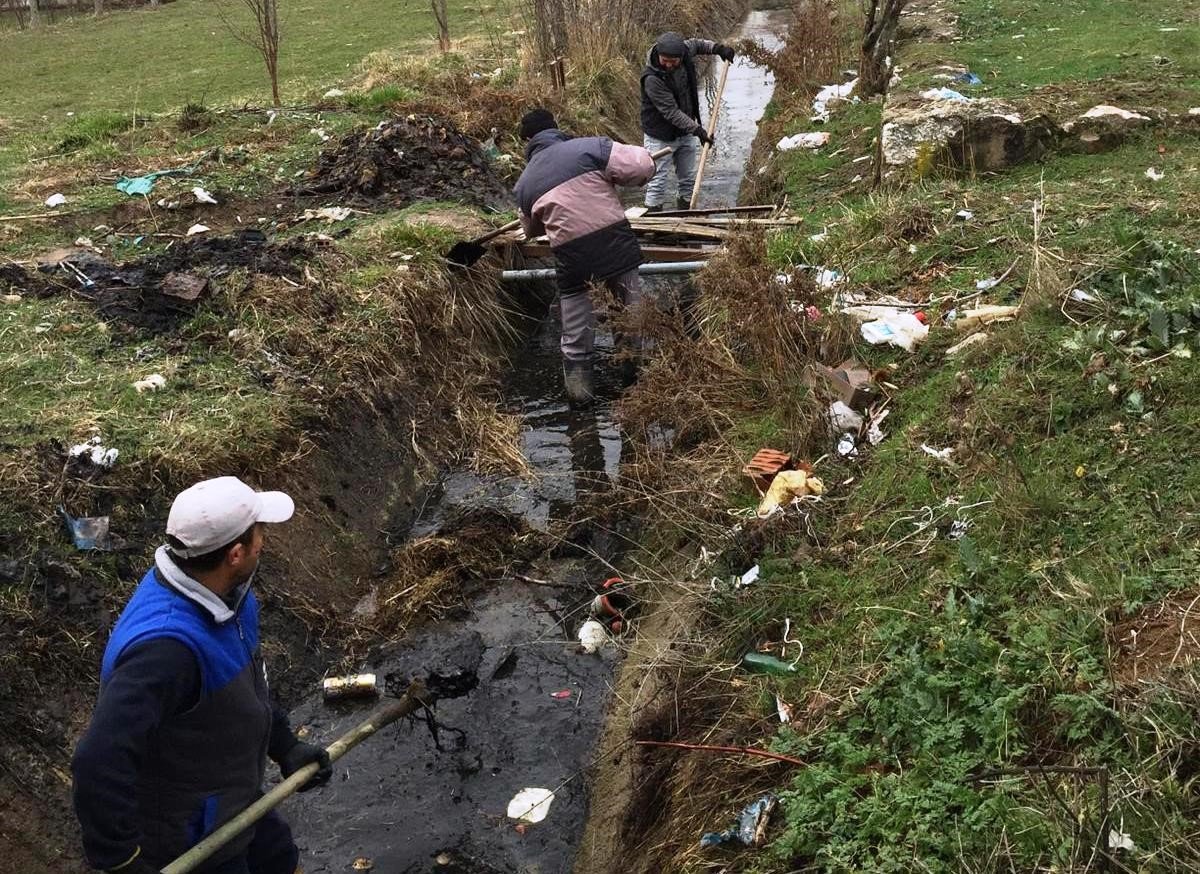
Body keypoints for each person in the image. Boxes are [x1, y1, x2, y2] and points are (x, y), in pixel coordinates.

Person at [71, 477, 332, 874]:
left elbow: (245, 688)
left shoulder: (227, 595)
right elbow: (97, 762)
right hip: (194, 837)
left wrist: (285, 746)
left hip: (235, 803)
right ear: (236, 553)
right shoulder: (165, 651)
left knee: (282, 860)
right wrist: (121, 860)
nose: (265, 540)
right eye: (260, 532)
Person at [513, 108, 656, 406]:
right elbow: (640, 168)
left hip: (574, 258)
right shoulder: (592, 147)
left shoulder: (524, 184)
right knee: (629, 317)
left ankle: (580, 404)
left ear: (527, 142)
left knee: (576, 336)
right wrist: (649, 166)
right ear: (556, 128)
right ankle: (636, 390)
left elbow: (532, 229)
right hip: (616, 245)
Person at [640, 31, 736, 212]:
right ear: (659, 55)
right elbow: (671, 112)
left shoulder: (685, 50)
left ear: (681, 56)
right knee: (657, 181)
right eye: (664, 60)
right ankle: (652, 225)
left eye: (673, 61)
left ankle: (685, 214)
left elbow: (699, 44)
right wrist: (698, 130)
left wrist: (718, 49)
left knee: (688, 179)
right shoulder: (652, 79)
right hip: (660, 136)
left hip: (685, 132)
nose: (668, 64)